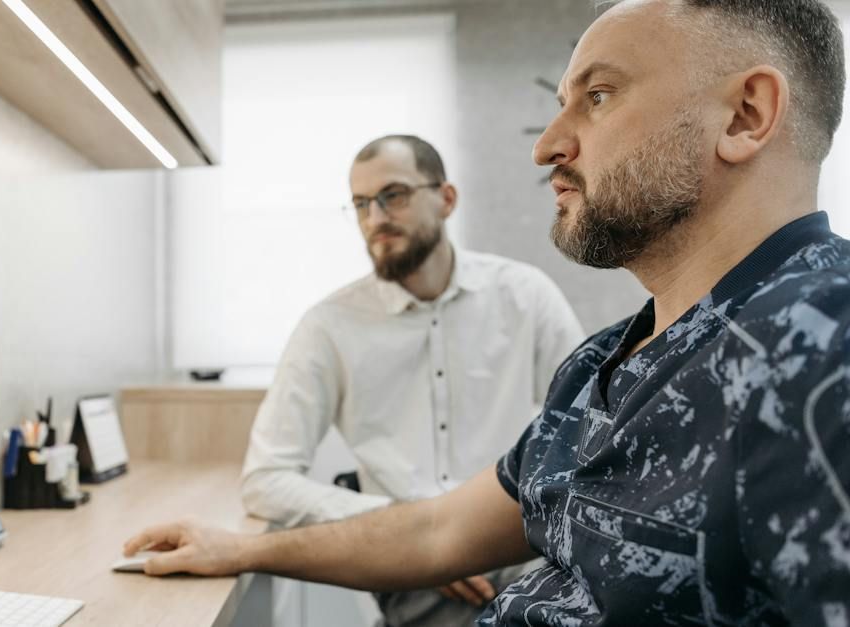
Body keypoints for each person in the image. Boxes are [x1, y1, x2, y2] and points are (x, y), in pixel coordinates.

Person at [123, 1, 850, 624]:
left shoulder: (824, 339)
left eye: (598, 96)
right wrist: (240, 547)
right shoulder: (603, 364)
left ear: (746, 114)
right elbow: (440, 530)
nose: (546, 147)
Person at [241, 134, 583, 626]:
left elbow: (587, 435)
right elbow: (265, 480)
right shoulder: (327, 327)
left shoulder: (525, 295)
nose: (375, 218)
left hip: (522, 552)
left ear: (446, 199)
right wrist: (405, 526)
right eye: (360, 204)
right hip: (411, 577)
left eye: (393, 196)